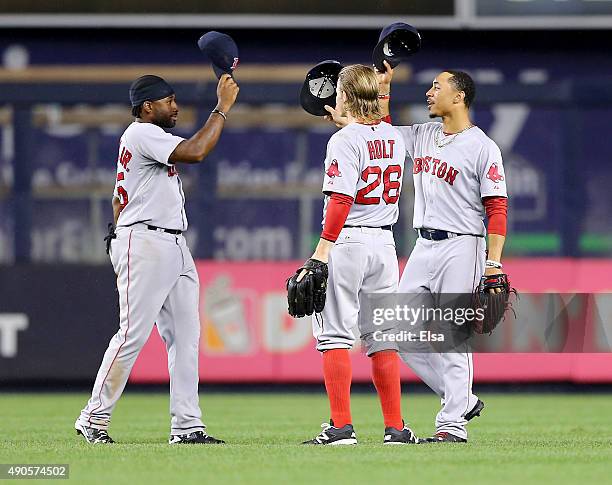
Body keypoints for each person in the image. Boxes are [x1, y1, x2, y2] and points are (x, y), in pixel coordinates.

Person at [326, 62, 508, 443]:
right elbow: (381, 136)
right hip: (423, 245)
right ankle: (461, 399)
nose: (429, 92)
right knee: (400, 332)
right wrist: (382, 92)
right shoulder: (423, 134)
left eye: (437, 86)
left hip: (464, 244)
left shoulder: (483, 147)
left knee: (451, 337)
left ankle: (452, 426)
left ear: (458, 96)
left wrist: (492, 263)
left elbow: (497, 208)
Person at [74, 73, 239, 444]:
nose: (175, 107)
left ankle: (186, 426)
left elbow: (118, 199)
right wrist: (222, 109)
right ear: (148, 107)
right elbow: (196, 152)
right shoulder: (141, 132)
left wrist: (122, 231)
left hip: (171, 244)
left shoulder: (149, 139)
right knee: (132, 334)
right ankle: (93, 418)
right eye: (168, 101)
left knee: (186, 336)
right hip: (147, 242)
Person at [299, 64, 418, 445]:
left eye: (339, 92)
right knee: (383, 337)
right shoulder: (395, 137)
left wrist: (320, 252)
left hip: (347, 242)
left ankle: (341, 427)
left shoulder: (343, 141)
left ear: (346, 97)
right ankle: (396, 428)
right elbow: (375, 127)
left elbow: (340, 198)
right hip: (385, 246)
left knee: (335, 335)